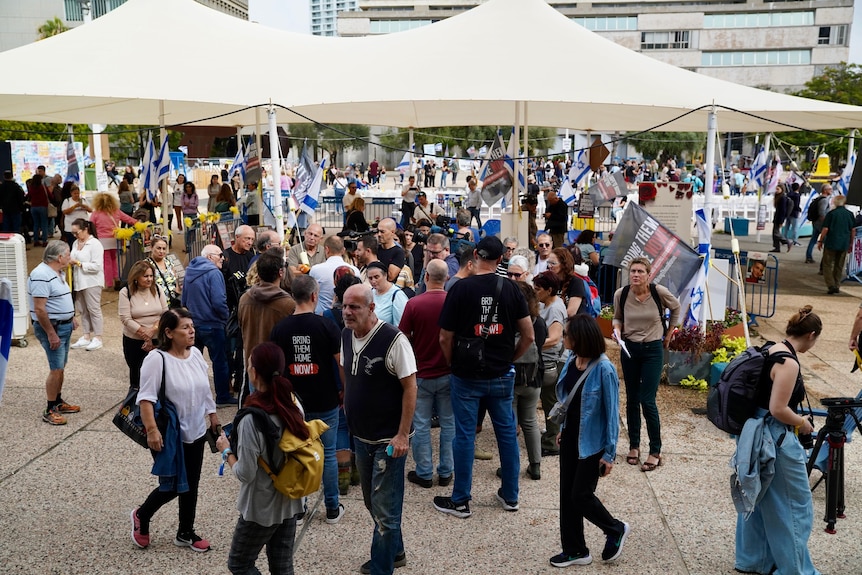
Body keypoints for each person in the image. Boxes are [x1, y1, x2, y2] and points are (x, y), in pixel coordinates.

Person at [434, 236, 534, 519]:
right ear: (501, 258)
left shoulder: (460, 289)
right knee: (506, 435)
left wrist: (451, 361)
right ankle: (511, 495)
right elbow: (528, 335)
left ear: (476, 254)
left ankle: (461, 499)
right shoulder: (513, 290)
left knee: (464, 435)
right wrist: (510, 357)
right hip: (501, 373)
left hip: (466, 374)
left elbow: (444, 336)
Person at [733, 306, 822, 575]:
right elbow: (778, 409)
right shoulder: (789, 362)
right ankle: (795, 570)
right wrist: (802, 423)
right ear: (812, 335)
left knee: (758, 498)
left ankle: (752, 560)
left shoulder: (771, 348)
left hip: (753, 433)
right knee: (794, 505)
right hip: (775, 438)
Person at [341, 284, 417, 575]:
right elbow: (346, 369)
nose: (347, 312)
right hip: (361, 434)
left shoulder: (393, 340)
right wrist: (348, 404)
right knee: (371, 501)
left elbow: (410, 387)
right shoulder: (346, 334)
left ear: (371, 308)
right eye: (345, 306)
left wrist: (402, 434)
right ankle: (395, 551)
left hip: (388, 439)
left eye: (355, 307)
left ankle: (382, 568)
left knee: (385, 512)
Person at [130, 308, 219, 553]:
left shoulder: (196, 356)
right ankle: (142, 516)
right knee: (171, 485)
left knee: (192, 483)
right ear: (168, 333)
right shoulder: (156, 360)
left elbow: (204, 389)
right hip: (169, 434)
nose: (192, 331)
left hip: (197, 431)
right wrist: (152, 431)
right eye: (185, 327)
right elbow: (145, 399)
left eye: (192, 326)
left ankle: (185, 532)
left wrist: (212, 416)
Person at [214, 342, 306, 574]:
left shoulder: (250, 420)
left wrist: (227, 451)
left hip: (261, 505)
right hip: (290, 498)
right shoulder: (293, 404)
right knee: (282, 565)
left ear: (253, 372)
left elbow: (245, 473)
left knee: (240, 563)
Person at [550, 314, 629, 568]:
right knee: (566, 496)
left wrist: (609, 454)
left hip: (592, 443)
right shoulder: (572, 360)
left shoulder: (604, 369)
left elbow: (611, 414)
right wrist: (563, 428)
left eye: (566, 334)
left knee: (580, 495)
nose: (563, 338)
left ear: (579, 337)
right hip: (571, 436)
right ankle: (575, 550)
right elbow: (568, 402)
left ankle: (614, 528)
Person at [270, 275, 344, 524]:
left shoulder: (280, 328)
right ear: (314, 296)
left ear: (293, 296)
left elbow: (276, 369)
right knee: (329, 453)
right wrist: (344, 389)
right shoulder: (326, 326)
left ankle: (298, 508)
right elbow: (339, 362)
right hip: (325, 399)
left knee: (297, 452)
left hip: (294, 403)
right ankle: (332, 507)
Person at [612, 257, 680, 472]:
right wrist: (616, 330)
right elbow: (617, 318)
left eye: (641, 271)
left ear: (649, 275)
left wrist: (670, 333)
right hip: (629, 348)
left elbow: (676, 307)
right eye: (633, 271)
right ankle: (634, 446)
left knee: (647, 400)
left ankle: (655, 450)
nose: (636, 275)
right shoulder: (621, 294)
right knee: (631, 397)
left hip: (652, 350)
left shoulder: (658, 292)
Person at [399, 259, 454, 488]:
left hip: (421, 372)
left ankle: (423, 472)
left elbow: (402, 337)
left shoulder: (414, 304)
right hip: (449, 372)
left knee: (420, 425)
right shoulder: (453, 302)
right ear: (447, 278)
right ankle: (446, 471)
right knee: (449, 424)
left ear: (426, 277)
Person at [28, 240, 79, 425]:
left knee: (61, 366)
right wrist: (51, 333)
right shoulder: (41, 275)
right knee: (55, 368)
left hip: (63, 326)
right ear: (59, 257)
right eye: (68, 254)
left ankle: (58, 401)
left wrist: (70, 316)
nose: (70, 258)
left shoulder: (57, 272)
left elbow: (59, 299)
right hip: (54, 328)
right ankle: (49, 409)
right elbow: (40, 309)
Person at [238, 249, 296, 399]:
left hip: (254, 366)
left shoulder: (245, 299)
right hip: (278, 369)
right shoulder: (288, 304)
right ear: (281, 273)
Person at [181, 244, 235, 406]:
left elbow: (183, 300)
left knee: (192, 362)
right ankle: (223, 396)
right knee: (219, 362)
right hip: (213, 325)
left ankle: (194, 397)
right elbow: (219, 301)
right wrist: (226, 317)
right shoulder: (214, 273)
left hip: (193, 324)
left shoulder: (189, 271)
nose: (223, 259)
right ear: (210, 257)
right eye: (220, 255)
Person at [510, 281, 547, 481]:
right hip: (534, 378)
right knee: (530, 422)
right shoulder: (539, 322)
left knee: (511, 425)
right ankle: (535, 465)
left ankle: (511, 466)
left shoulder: (512, 321)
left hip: (513, 378)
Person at [533, 271, 568, 457]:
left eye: (538, 289)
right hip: (545, 359)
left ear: (549, 290)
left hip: (552, 361)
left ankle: (552, 442)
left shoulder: (555, 309)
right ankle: (550, 435)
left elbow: (554, 339)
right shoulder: (544, 303)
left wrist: (531, 344)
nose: (535, 291)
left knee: (551, 403)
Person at [119, 260, 168, 391]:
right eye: (145, 276)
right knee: (137, 376)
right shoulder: (126, 292)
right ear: (136, 277)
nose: (149, 279)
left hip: (158, 338)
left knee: (159, 375)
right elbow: (125, 318)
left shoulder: (157, 289)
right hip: (134, 341)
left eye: (151, 276)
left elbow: (164, 313)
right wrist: (146, 336)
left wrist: (153, 330)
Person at [68, 219, 105, 351]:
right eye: (72, 233)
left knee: (93, 309)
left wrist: (78, 263)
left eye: (76, 232)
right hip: (79, 282)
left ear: (85, 230)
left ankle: (98, 337)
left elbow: (97, 266)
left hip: (92, 281)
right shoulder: (75, 243)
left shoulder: (95, 244)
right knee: (82, 309)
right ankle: (86, 335)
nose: (74, 235)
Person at [89, 193, 137, 288]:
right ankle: (117, 278)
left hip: (102, 240)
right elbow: (129, 219)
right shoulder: (116, 211)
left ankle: (109, 283)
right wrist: (139, 224)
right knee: (114, 259)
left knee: (106, 262)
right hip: (115, 239)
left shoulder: (96, 213)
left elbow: (90, 224)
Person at [309, 235, 359, 315]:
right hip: (349, 314)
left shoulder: (316, 270)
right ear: (343, 250)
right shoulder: (355, 271)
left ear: (326, 249)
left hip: (322, 316)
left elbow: (311, 294)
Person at [817, 193, 855, 294]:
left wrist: (820, 240)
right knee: (839, 265)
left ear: (835, 202)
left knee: (827, 265)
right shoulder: (850, 214)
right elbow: (853, 230)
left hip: (831, 242)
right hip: (844, 243)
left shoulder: (831, 214)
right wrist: (851, 242)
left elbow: (825, 229)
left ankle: (831, 285)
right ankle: (837, 284)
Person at [366, 261, 408, 326]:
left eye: (376, 277)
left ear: (385, 275)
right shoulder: (370, 293)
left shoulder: (397, 295)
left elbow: (401, 325)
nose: (373, 281)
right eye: (370, 278)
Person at [146, 236, 183, 308]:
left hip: (173, 302)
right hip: (157, 303)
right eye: (158, 248)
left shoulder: (170, 261)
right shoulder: (146, 264)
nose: (161, 251)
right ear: (151, 248)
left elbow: (178, 277)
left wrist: (178, 291)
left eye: (164, 249)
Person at [806, 184, 832, 264]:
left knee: (813, 239)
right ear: (825, 190)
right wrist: (826, 223)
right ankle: (824, 260)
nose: (831, 190)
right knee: (826, 241)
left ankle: (808, 256)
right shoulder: (824, 200)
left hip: (816, 222)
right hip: (821, 224)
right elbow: (822, 212)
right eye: (830, 189)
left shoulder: (818, 198)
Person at [27, 168, 51, 246]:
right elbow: (50, 196)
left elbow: (28, 196)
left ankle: (36, 241)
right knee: (44, 224)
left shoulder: (31, 188)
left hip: (33, 207)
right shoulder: (43, 187)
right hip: (43, 206)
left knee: (36, 224)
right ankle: (44, 241)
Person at [0, 170, 26, 234]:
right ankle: (15, 240)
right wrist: (22, 208)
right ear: (12, 176)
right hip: (16, 209)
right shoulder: (16, 187)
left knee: (6, 226)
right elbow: (20, 198)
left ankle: (6, 240)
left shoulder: (1, 187)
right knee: (16, 226)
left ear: (4, 177)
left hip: (5, 209)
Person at [770, 184, 793, 253]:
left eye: (778, 189)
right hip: (777, 217)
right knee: (775, 233)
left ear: (782, 190)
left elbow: (783, 210)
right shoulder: (778, 197)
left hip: (779, 218)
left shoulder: (783, 198)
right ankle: (777, 247)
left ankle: (787, 241)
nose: (776, 191)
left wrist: (781, 221)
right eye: (776, 189)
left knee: (776, 233)